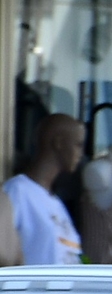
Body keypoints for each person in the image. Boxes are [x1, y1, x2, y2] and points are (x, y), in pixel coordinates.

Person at [9, 113, 84, 266]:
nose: (80, 154)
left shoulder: (56, 204)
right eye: (78, 145)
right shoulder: (17, 192)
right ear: (59, 143)